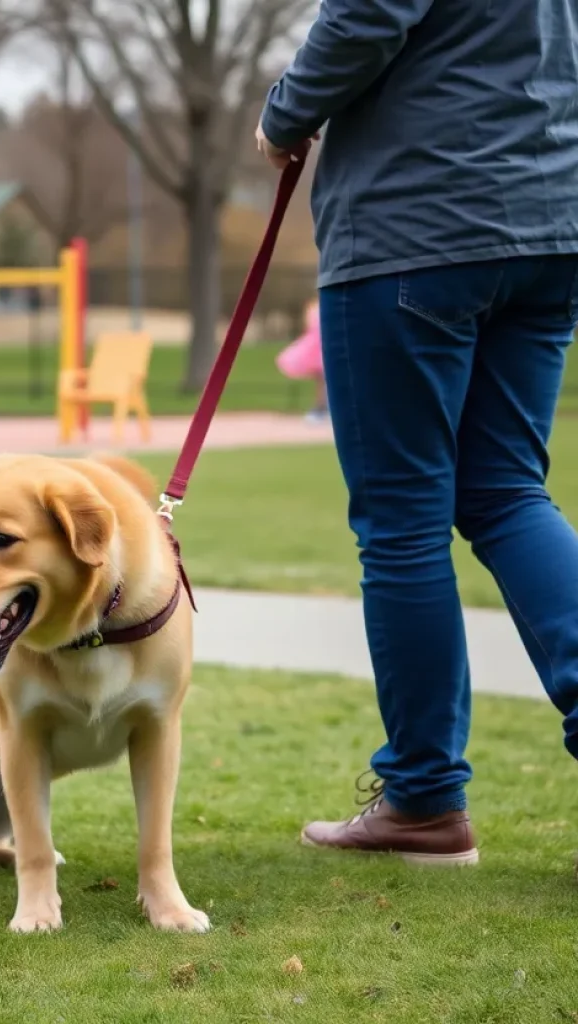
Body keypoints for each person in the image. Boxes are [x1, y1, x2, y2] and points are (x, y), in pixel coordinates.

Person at [256, 0, 578, 865]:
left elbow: (367, 13)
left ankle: (425, 798)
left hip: (418, 226)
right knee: (508, 493)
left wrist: (285, 113)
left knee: (402, 523)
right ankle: (424, 795)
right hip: (549, 220)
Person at [276, 298, 327, 423]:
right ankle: (321, 407)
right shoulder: (314, 306)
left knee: (325, 380)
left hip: (324, 344)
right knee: (321, 379)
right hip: (317, 345)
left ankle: (323, 407)